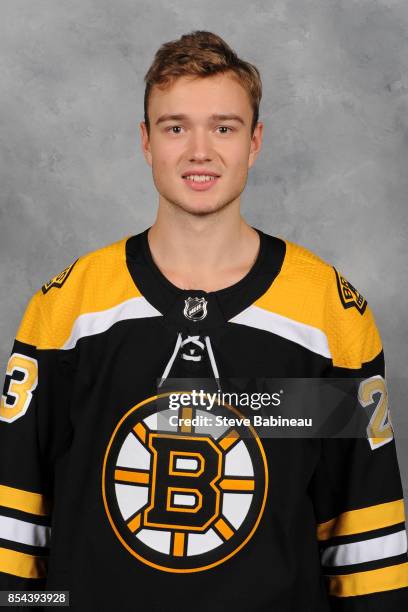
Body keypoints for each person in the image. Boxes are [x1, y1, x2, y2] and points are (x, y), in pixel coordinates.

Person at [0, 30, 407, 611]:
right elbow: (17, 516)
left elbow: (363, 531)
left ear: (255, 142)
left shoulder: (328, 312)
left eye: (223, 126)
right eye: (174, 127)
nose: (199, 151)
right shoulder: (68, 308)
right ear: (145, 142)